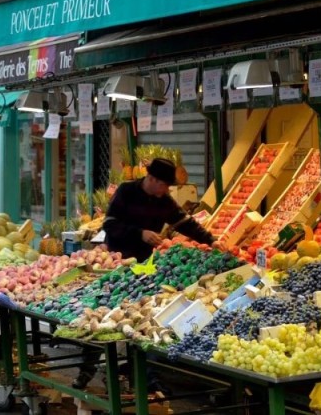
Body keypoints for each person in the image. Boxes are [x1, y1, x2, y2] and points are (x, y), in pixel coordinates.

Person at [73, 158, 221, 391]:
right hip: (119, 264)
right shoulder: (126, 192)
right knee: (105, 314)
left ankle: (146, 379)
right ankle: (86, 370)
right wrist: (139, 233)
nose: (167, 190)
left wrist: (211, 240)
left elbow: (185, 223)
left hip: (147, 269)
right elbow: (109, 225)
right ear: (152, 180)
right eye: (165, 185)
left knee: (141, 319)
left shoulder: (164, 200)